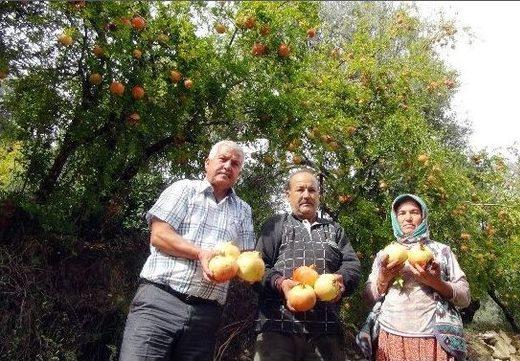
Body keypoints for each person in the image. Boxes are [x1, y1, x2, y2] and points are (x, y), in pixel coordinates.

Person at [119, 140, 255, 361]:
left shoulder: (243, 210)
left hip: (206, 315)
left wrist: (247, 271)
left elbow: (246, 259)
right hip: (159, 301)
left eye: (235, 163)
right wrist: (200, 254)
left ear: (239, 171)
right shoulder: (184, 189)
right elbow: (159, 235)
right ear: (207, 163)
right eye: (223, 159)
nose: (228, 166)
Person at [254, 168, 361, 361]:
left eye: (312, 190)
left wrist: (342, 279)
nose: (306, 195)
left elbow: (352, 265)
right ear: (288, 195)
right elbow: (258, 268)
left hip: (325, 331)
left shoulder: (334, 230)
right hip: (277, 329)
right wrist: (280, 283)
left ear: (319, 195)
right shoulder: (276, 224)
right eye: (300, 189)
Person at [364, 194, 470, 361]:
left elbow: (465, 298)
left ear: (423, 216)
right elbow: (369, 298)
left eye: (414, 212)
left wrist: (435, 282)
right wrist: (383, 279)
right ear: (395, 218)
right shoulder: (385, 254)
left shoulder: (441, 251)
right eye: (402, 213)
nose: (408, 218)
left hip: (434, 339)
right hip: (391, 337)